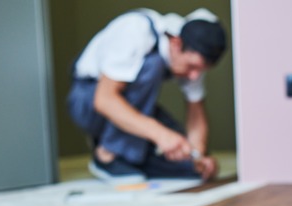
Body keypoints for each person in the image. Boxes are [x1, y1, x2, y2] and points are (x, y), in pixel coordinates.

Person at [67, 8, 226, 184]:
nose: (194, 76)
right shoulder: (136, 30)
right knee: (153, 65)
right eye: (192, 67)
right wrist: (160, 135)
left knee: (184, 156)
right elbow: (104, 100)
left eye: (201, 70)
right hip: (88, 101)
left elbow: (196, 113)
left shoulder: (192, 59)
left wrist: (198, 157)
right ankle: (107, 155)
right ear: (176, 43)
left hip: (134, 107)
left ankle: (131, 159)